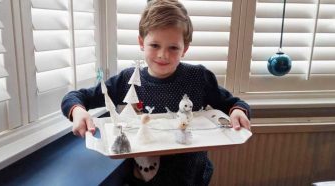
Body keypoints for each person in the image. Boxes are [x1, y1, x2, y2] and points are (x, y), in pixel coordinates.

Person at [61, 0, 251, 185]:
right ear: (141, 42)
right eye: (155, 45)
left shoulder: (199, 78)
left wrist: (238, 111)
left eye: (173, 47)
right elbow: (74, 97)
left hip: (192, 178)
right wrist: (78, 111)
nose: (163, 55)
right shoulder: (128, 79)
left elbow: (234, 103)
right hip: (142, 178)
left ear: (185, 49)